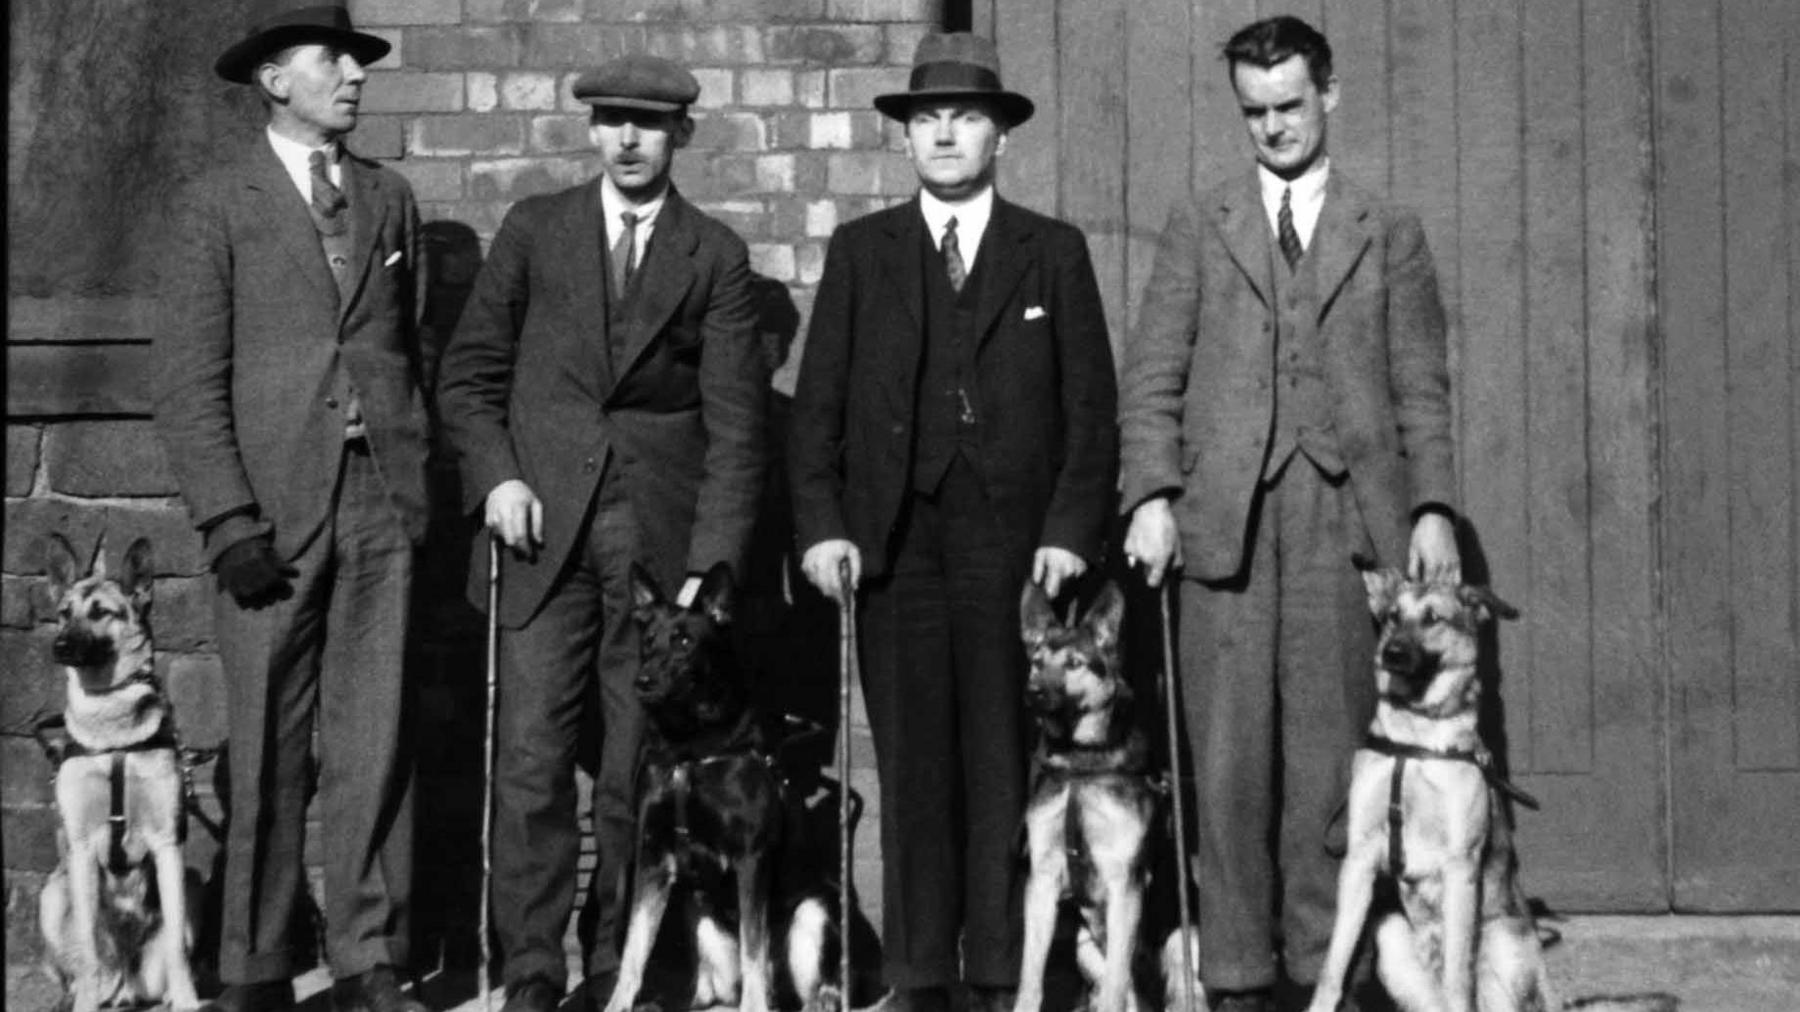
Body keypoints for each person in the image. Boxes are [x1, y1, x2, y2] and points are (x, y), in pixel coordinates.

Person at [1117, 15, 1460, 1012]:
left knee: (1328, 761)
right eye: (1253, 111)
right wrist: (1150, 494)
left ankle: (1325, 968)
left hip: (1345, 521)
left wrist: (1432, 506)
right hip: (1223, 523)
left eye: (1289, 106)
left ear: (1330, 94)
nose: (1272, 127)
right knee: (1226, 766)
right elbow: (1154, 375)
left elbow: (1423, 387)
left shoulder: (1385, 229)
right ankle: (1233, 975)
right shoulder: (1202, 219)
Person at [787, 31, 1118, 1012]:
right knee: (914, 755)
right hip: (895, 540)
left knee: (1002, 754)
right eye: (927, 117)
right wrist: (820, 526)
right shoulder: (863, 251)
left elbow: (1092, 409)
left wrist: (1069, 525)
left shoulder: (1052, 252)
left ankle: (997, 969)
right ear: (905, 137)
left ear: (999, 138)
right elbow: (818, 408)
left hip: (1014, 545)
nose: (945, 133)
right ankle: (920, 971)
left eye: (966, 116)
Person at [434, 54, 767, 1012]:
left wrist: (712, 568)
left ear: (681, 137)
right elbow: (469, 378)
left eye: (649, 125)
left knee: (634, 770)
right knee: (533, 760)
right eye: (612, 121)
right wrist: (495, 477)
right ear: (591, 130)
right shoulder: (536, 232)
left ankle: (614, 964)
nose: (627, 140)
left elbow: (738, 429)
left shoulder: (715, 256)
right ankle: (533, 970)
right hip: (540, 537)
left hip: (657, 553)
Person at [153, 1, 431, 1010]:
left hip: (377, 504)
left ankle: (367, 959)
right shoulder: (214, 204)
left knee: (375, 737)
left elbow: (410, 351)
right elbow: (186, 378)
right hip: (268, 516)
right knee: (267, 743)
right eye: (331, 61)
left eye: (357, 62)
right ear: (275, 79)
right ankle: (256, 963)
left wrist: (413, 490)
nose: (353, 77)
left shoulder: (390, 200)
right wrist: (227, 519)